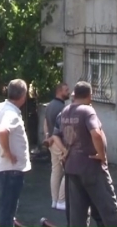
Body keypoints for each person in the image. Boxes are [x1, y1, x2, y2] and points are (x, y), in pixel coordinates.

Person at [57, 81, 117, 227]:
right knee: (109, 210)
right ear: (89, 95)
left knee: (78, 215)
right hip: (91, 167)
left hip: (72, 167)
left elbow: (61, 135)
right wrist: (101, 154)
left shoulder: (65, 111)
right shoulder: (87, 111)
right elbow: (96, 134)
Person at [0, 79, 31, 227]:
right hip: (10, 169)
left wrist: (0, 141)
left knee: (9, 209)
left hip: (5, 168)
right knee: (8, 211)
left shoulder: (2, 106)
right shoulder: (11, 113)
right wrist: (7, 151)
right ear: (23, 95)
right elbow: (2, 130)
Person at [44, 82, 69, 210]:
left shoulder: (49, 106)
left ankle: (54, 200)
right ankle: (61, 200)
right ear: (59, 91)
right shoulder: (62, 108)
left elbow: (45, 123)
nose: (68, 92)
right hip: (59, 142)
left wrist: (47, 137)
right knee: (68, 171)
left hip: (52, 142)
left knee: (55, 171)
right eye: (66, 90)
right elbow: (62, 127)